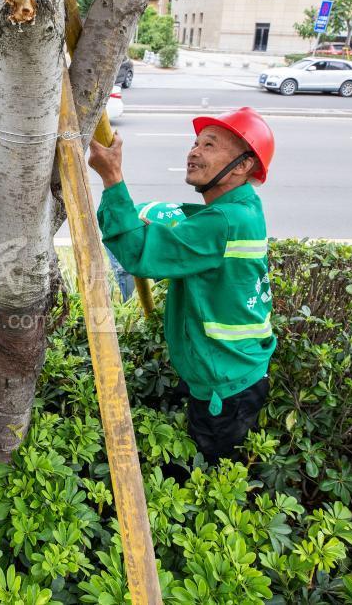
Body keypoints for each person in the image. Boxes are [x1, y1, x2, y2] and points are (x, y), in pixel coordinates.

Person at [89, 107, 276, 466]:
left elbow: (137, 252)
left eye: (210, 145)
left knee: (208, 471)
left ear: (242, 166)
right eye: (195, 143)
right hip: (239, 367)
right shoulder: (245, 207)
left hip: (225, 386)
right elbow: (197, 223)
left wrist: (112, 178)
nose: (194, 152)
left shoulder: (223, 221)